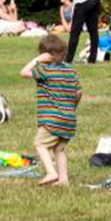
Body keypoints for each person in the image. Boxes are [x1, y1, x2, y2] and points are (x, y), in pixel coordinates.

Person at [20, 33, 80, 186]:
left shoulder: (44, 69)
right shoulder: (70, 70)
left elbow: (23, 72)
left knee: (40, 144)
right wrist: (72, 108)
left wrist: (36, 61)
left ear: (45, 55)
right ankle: (63, 179)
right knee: (59, 149)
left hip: (51, 119)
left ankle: (51, 172)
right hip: (69, 119)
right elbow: (78, 93)